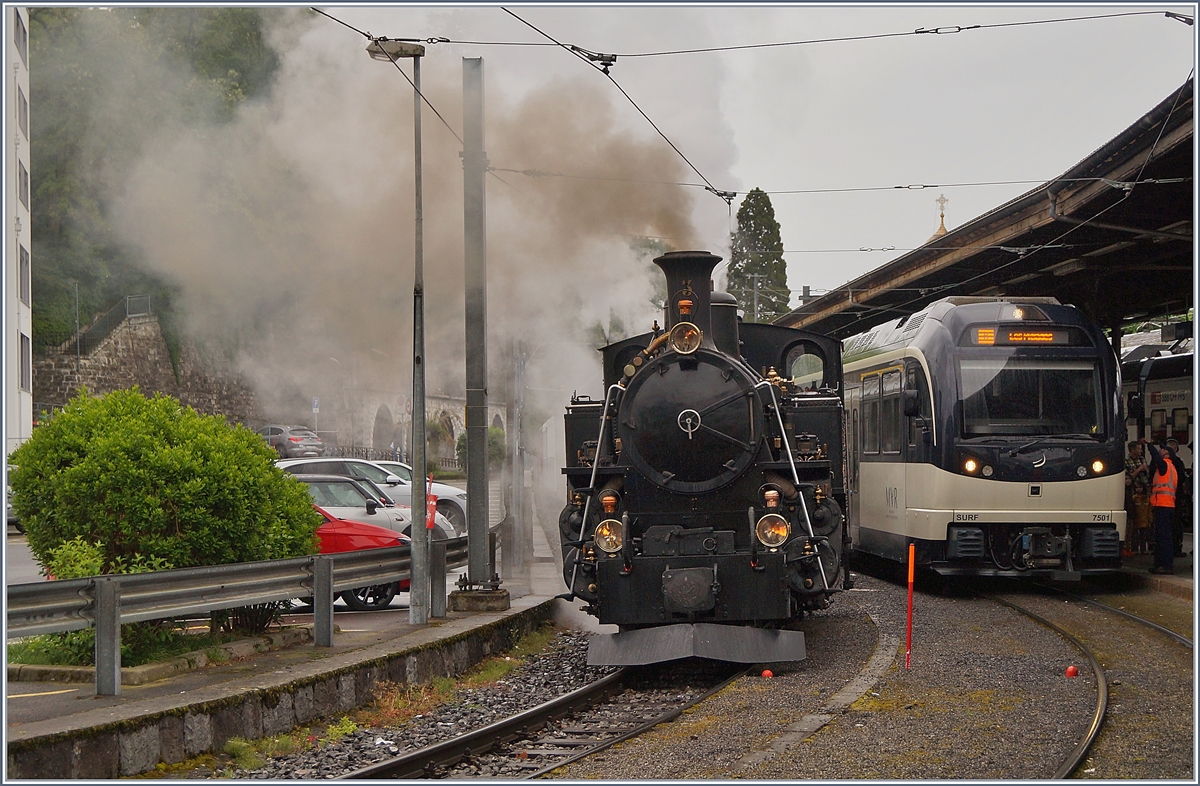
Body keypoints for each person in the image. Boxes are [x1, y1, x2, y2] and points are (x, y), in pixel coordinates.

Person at [1145, 439, 1179, 574]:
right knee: (1161, 537)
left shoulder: (1165, 465)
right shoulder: (1171, 468)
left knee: (1163, 538)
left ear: (1167, 454)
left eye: (1163, 449)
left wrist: (1148, 445)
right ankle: (1160, 565)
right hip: (1166, 506)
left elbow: (1155, 457)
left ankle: (1165, 566)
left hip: (1163, 506)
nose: (1161, 450)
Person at [1165, 438, 1190, 557]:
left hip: (1172, 498)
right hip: (1169, 498)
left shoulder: (1176, 462)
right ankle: (1173, 548)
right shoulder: (1174, 463)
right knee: (1171, 525)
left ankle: (1175, 548)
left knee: (1174, 525)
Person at [1124, 441, 1151, 554]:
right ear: (1132, 450)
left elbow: (1148, 473)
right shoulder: (1126, 461)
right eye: (1139, 449)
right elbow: (1129, 477)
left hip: (1145, 489)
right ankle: (1132, 546)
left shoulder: (1142, 459)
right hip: (1134, 489)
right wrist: (1139, 469)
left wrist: (1146, 470)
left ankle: (1146, 546)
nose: (1141, 451)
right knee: (1134, 520)